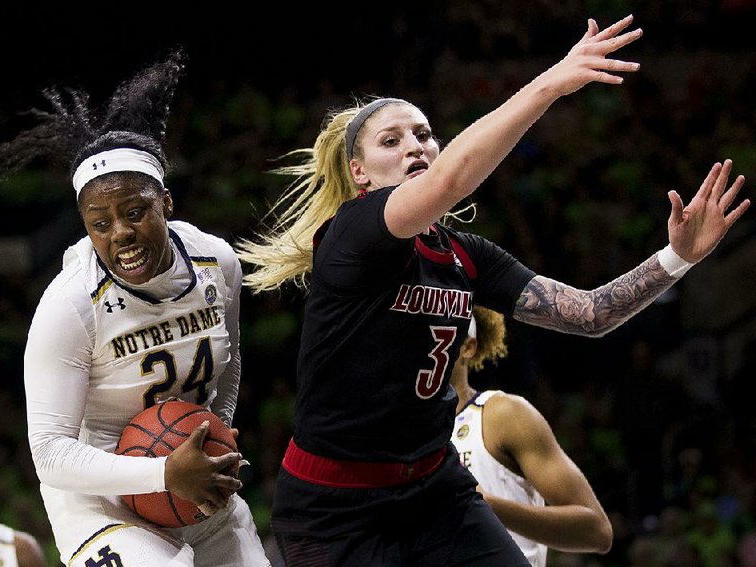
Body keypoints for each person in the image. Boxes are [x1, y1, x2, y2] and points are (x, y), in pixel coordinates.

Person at [234, 13, 750, 567]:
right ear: (359, 173)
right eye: (392, 140)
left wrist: (678, 257)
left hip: (433, 487)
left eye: (425, 135)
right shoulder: (353, 230)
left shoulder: (464, 254)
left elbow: (590, 314)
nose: (416, 146)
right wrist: (551, 81)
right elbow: (450, 180)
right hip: (336, 505)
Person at [0, 49, 270, 567]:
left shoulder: (217, 262)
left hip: (186, 472)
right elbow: (49, 453)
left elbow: (230, 368)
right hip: (100, 499)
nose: (121, 235)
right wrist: (164, 473)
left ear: (166, 204)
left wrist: (210, 443)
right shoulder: (69, 306)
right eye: (101, 223)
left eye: (135, 212)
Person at [450, 306, 613, 566]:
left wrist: (483, 505)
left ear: (468, 347)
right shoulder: (397, 434)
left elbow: (596, 531)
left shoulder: (501, 415)